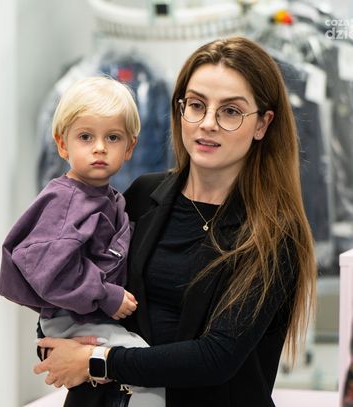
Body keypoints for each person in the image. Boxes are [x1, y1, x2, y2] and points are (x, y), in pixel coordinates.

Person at [33, 36, 318, 407]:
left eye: (230, 111)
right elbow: (67, 288)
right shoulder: (141, 195)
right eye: (196, 105)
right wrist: (61, 346)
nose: (208, 124)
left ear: (263, 124)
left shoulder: (274, 233)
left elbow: (215, 358)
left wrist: (96, 361)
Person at [0, 76, 165, 406]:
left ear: (130, 147)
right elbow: (48, 268)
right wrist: (106, 295)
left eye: (112, 137)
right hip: (70, 319)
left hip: (86, 316)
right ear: (63, 145)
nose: (99, 147)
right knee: (145, 366)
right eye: (86, 137)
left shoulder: (107, 197)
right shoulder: (65, 201)